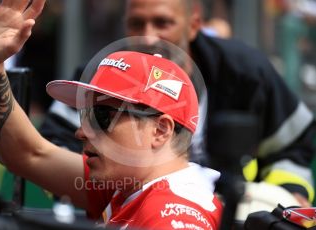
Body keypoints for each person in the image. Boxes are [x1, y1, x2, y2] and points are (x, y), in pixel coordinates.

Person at [40, 0, 316, 209]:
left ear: (193, 23)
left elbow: (294, 143)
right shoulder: (105, 71)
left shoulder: (245, 72)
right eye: (136, 23)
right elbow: (53, 145)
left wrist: (282, 199)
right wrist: (117, 191)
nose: (148, 37)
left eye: (162, 23)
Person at [0, 1, 223, 229]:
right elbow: (27, 155)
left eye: (103, 117)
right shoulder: (130, 182)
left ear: (160, 130)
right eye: (85, 116)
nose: (81, 132)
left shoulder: (173, 215)